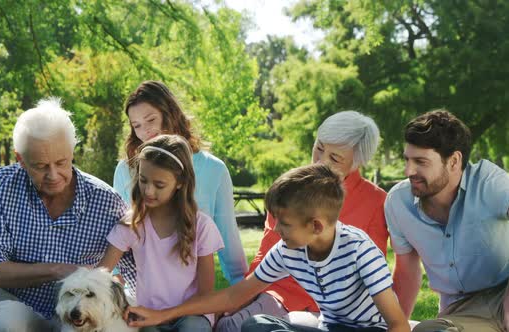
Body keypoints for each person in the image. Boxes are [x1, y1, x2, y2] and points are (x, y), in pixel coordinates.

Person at [0, 98, 127, 331]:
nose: (53, 175)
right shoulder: (0, 183)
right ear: (21, 159)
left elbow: (136, 273)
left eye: (61, 162)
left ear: (72, 151)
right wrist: (58, 270)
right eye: (40, 166)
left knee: (11, 317)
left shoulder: (106, 201)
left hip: (68, 320)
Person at [125, 164, 411, 332]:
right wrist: (163, 315)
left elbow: (397, 324)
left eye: (284, 223)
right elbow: (233, 296)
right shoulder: (288, 251)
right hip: (328, 327)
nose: (275, 230)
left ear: (316, 226)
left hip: (370, 330)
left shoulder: (360, 251)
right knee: (255, 325)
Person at [216, 111, 389, 331]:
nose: (321, 161)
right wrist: (240, 300)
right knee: (227, 325)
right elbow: (264, 255)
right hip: (280, 296)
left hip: (336, 312)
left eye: (335, 158)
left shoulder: (376, 201)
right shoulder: (290, 188)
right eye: (319, 148)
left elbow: (371, 277)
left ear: (357, 162)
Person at [113, 80, 247, 293]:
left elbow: (229, 239)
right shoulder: (125, 169)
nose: (145, 131)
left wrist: (241, 290)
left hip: (194, 296)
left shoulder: (214, 169)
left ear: (170, 113)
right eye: (136, 125)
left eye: (151, 120)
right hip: (141, 295)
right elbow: (119, 237)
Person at [385, 110, 509, 331]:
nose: (408, 170)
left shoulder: (489, 183)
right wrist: (397, 326)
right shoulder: (398, 203)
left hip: (504, 290)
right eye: (407, 159)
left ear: (454, 161)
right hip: (463, 312)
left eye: (420, 162)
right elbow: (406, 271)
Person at [98, 134, 224, 331]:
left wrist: (167, 315)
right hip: (146, 316)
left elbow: (205, 293)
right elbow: (102, 273)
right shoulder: (131, 224)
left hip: (191, 315)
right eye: (143, 180)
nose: (148, 191)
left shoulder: (201, 226)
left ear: (180, 182)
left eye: (159, 185)